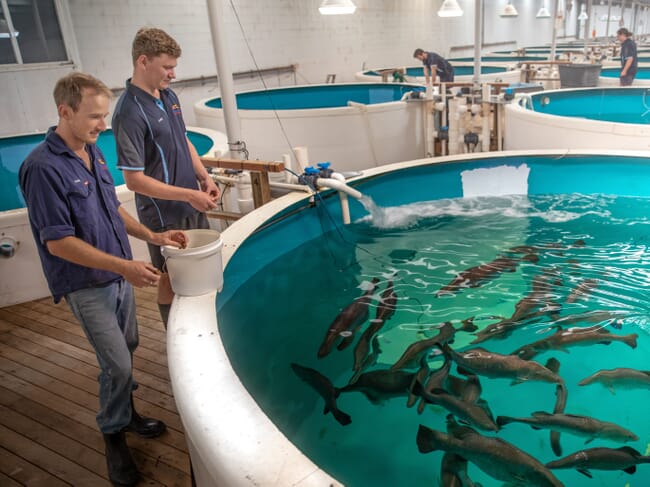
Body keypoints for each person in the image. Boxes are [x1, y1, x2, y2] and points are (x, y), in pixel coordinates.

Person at [19, 72, 188, 486]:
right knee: (116, 364)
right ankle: (113, 435)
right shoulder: (41, 169)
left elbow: (111, 207)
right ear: (65, 111)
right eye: (95, 117)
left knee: (127, 347)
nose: (103, 125)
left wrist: (152, 236)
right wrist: (125, 268)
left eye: (104, 116)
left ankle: (127, 414)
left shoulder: (91, 153)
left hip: (116, 276)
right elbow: (58, 244)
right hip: (85, 283)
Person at [112, 27, 220, 327]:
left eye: (174, 67)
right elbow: (133, 180)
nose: (173, 74)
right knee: (171, 278)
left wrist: (203, 177)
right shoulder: (128, 113)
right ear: (143, 61)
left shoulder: (168, 96)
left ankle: (205, 324)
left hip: (191, 202)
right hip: (164, 214)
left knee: (201, 268)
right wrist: (188, 195)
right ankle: (176, 334)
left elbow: (182, 139)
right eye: (167, 67)